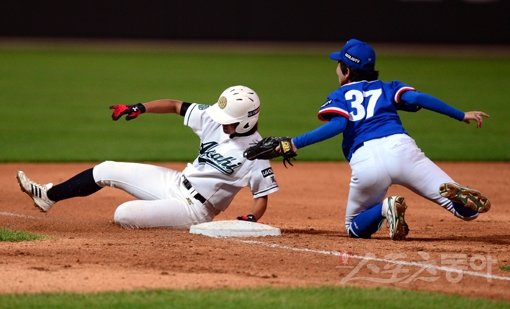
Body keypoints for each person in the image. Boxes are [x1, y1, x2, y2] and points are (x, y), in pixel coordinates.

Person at [258, 38, 491, 240]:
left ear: (346, 71)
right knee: (467, 213)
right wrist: (461, 115)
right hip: (402, 150)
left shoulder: (340, 95)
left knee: (354, 226)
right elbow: (418, 97)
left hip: (366, 160)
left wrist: (293, 143)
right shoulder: (388, 88)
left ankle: (384, 208)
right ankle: (458, 194)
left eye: (339, 65)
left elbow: (339, 124)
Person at [16, 85, 279, 229]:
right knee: (106, 169)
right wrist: (140, 107)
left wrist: (253, 218)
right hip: (175, 182)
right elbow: (176, 105)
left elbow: (261, 198)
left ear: (246, 121)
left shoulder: (257, 152)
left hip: (195, 208)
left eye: (229, 121)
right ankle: (47, 196)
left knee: (124, 215)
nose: (221, 123)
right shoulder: (213, 118)